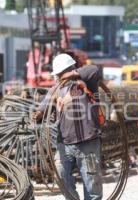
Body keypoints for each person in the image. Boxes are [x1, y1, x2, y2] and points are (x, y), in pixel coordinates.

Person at [33, 53, 103, 200]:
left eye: (59, 73)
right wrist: (39, 114)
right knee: (61, 176)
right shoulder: (55, 89)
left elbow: (94, 69)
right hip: (64, 143)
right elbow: (43, 108)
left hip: (88, 141)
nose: (57, 77)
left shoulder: (87, 82)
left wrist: (71, 75)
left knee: (91, 182)